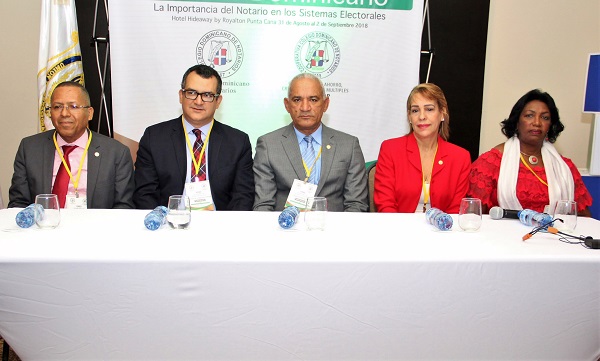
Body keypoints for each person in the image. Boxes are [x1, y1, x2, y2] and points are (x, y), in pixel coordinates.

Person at [133, 64, 254, 210]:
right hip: (169, 223)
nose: (198, 101)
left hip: (218, 225)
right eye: (191, 92)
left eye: (207, 95)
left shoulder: (238, 142)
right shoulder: (154, 137)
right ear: (181, 95)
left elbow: (243, 196)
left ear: (218, 101)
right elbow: (144, 194)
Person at [253, 73, 369, 212]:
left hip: (334, 230)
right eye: (297, 100)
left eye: (313, 100)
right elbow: (263, 206)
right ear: (287, 105)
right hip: (286, 230)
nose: (305, 107)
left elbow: (357, 204)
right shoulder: (268, 145)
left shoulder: (349, 145)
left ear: (325, 104)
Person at [9, 81, 135, 209]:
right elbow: (18, 203)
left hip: (95, 227)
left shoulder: (116, 152)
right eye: (57, 107)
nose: (64, 113)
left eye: (73, 106)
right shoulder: (30, 148)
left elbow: (124, 207)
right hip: (44, 226)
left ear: (90, 113)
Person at [467, 89, 592, 216]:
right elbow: (473, 216)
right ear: (517, 122)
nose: (537, 123)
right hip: (503, 235)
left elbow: (584, 218)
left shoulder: (565, 168)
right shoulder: (490, 163)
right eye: (529, 115)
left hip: (553, 234)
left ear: (550, 125)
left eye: (545, 117)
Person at [374, 83, 471, 213]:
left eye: (429, 109)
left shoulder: (460, 157)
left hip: (442, 231)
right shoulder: (390, 149)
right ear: (409, 117)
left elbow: (456, 210)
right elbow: (385, 204)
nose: (422, 116)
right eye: (415, 110)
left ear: (442, 113)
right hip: (398, 229)